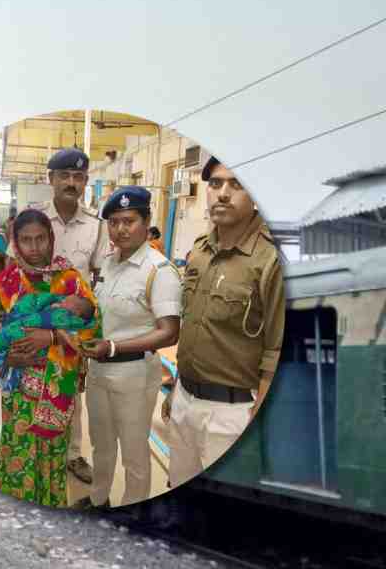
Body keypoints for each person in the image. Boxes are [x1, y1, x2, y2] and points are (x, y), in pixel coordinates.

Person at [163, 157, 284, 489]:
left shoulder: (270, 260)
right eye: (215, 184)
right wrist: (176, 389)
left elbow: (277, 349)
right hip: (186, 400)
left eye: (237, 184)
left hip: (233, 414)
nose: (222, 194)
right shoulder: (200, 252)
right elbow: (193, 329)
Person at [78, 186, 182, 508]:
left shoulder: (159, 271)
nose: (120, 229)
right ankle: (98, 500)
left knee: (135, 452)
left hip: (134, 373)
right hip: (99, 371)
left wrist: (113, 347)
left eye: (129, 221)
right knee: (101, 444)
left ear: (147, 221)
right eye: (114, 222)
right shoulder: (109, 263)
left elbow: (169, 333)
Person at [0, 209, 99, 507]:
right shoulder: (6, 282)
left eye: (40, 239)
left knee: (52, 461)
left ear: (51, 238)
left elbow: (92, 328)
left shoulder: (71, 280)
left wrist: (49, 337)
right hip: (19, 394)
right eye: (26, 240)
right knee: (18, 457)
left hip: (56, 393)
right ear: (15, 242)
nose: (34, 247)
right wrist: (7, 357)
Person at [28, 147, 109, 486]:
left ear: (86, 181)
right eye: (65, 176)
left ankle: (72, 455)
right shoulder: (32, 219)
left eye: (78, 177)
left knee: (70, 391)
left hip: (73, 327)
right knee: (30, 387)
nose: (71, 182)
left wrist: (89, 323)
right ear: (51, 179)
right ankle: (33, 450)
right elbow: (10, 266)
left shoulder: (96, 226)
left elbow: (101, 276)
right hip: (33, 321)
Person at [0, 292, 95, 391]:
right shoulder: (9, 278)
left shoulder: (73, 282)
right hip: (15, 359)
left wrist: (53, 337)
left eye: (70, 300)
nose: (66, 299)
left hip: (51, 379)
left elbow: (89, 332)